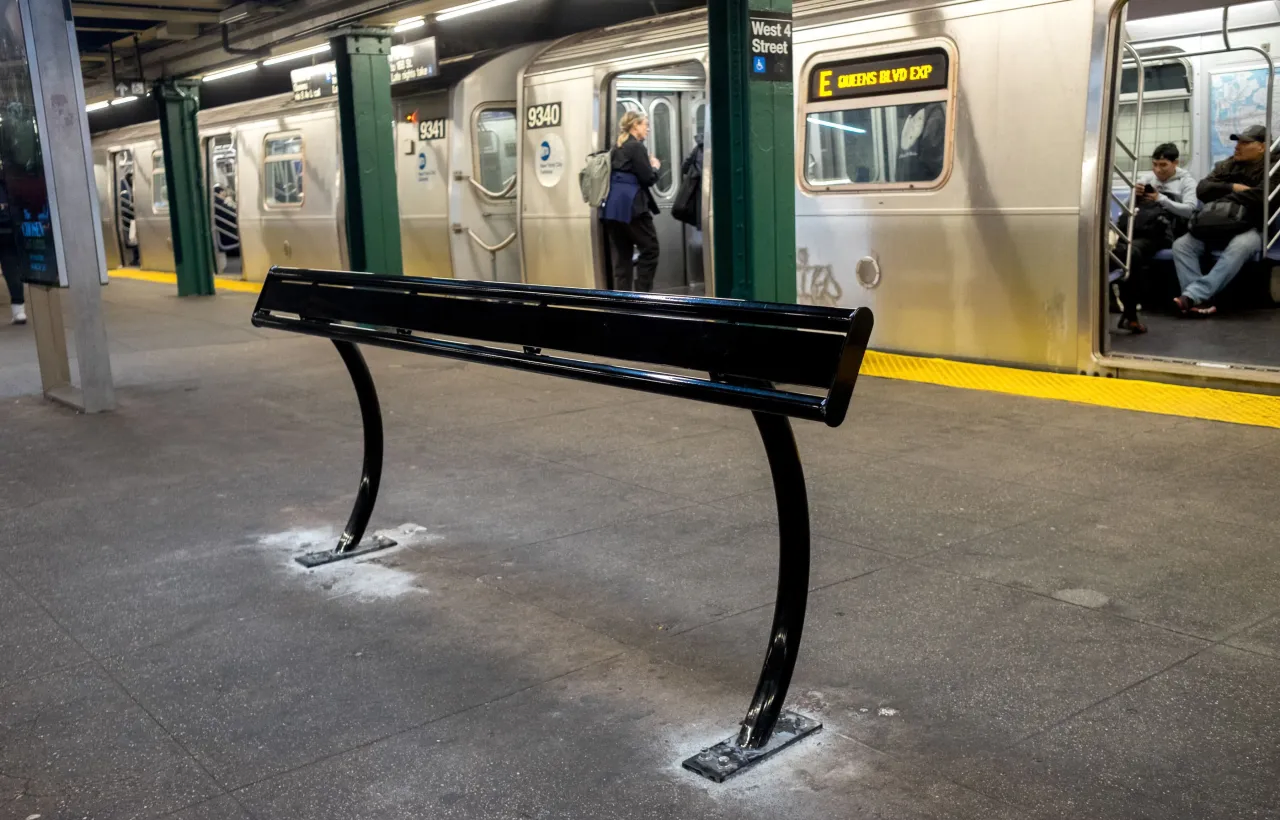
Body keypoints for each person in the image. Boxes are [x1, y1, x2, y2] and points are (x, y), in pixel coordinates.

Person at [1170, 124, 1276, 317]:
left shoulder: (1274, 167)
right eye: (1238, 142)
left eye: (1245, 142)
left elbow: (1262, 197)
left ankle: (1193, 295)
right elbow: (1202, 189)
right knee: (1181, 245)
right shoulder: (1229, 164)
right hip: (1217, 223)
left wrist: (1222, 194)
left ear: (1262, 146)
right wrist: (1234, 187)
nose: (1237, 146)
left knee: (1241, 246)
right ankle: (1199, 301)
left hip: (1250, 226)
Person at [1112, 142, 1197, 333]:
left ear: (1175, 163)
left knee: (1130, 253)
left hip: (1163, 232)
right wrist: (1134, 195)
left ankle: (1128, 307)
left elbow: (1190, 211)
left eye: (1163, 165)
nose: (1158, 170)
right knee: (1122, 250)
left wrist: (1161, 199)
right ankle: (1125, 307)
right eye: (1155, 165)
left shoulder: (1187, 182)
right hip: (1139, 227)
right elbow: (1127, 208)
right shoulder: (1147, 178)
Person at [602, 111, 661, 292]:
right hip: (632, 206)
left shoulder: (616, 147)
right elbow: (648, 178)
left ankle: (623, 299)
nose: (648, 128)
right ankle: (642, 295)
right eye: (645, 124)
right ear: (635, 125)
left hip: (612, 208)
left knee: (622, 256)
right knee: (650, 249)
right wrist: (655, 166)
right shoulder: (636, 147)